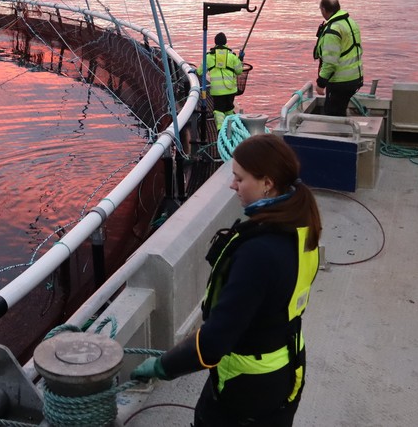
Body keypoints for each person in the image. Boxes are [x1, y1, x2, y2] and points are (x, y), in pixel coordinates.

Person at [132, 133, 322, 426]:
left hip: (247, 386)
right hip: (285, 365)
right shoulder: (301, 227)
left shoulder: (259, 253)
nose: (232, 185)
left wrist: (162, 366)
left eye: (239, 178)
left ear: (267, 183)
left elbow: (214, 342)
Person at [313, 0, 363, 116]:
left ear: (324, 9)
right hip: (355, 77)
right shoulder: (350, 22)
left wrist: (321, 84)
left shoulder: (333, 29)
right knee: (340, 110)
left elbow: (330, 61)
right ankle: (345, 132)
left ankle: (338, 134)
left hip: (340, 81)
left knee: (332, 114)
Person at [204, 32, 243, 127]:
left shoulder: (209, 57)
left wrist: (194, 71)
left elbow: (201, 71)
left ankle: (220, 130)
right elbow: (239, 71)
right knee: (229, 110)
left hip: (217, 91)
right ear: (226, 42)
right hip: (231, 90)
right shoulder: (232, 56)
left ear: (215, 42)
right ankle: (231, 129)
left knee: (218, 111)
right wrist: (240, 59)